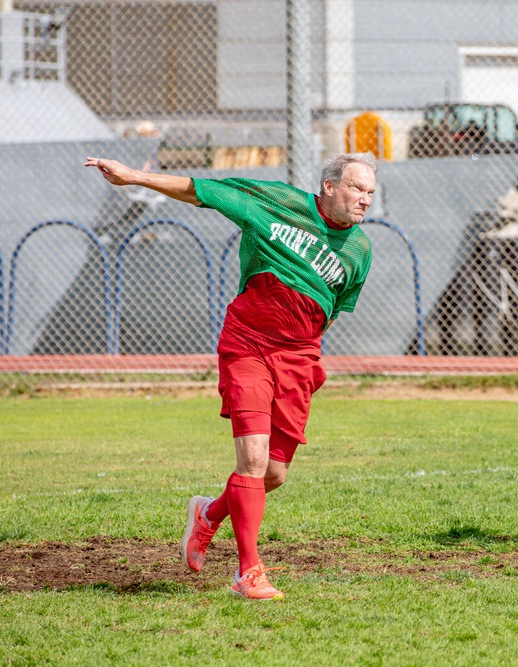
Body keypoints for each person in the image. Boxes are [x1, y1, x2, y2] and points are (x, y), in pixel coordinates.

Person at [85, 152, 377, 597]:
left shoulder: (360, 250)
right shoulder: (277, 202)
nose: (365, 199)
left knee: (273, 474)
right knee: (253, 461)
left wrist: (303, 348)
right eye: (357, 188)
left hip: (298, 358)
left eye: (371, 192)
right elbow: (203, 191)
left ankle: (208, 514)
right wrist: (133, 178)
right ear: (330, 186)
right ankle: (248, 572)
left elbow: (333, 312)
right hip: (249, 344)